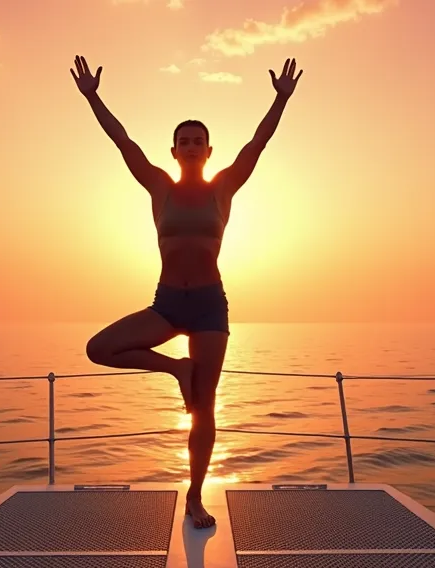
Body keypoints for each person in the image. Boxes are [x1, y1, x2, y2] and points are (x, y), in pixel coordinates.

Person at [72, 54, 302, 528]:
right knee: (100, 348)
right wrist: (93, 96)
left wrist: (279, 100)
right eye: (184, 141)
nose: (192, 146)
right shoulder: (159, 186)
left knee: (204, 407)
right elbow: (123, 141)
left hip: (209, 306)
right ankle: (175, 367)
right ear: (174, 151)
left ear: (208, 150)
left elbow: (257, 145)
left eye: (198, 141)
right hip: (167, 302)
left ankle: (195, 496)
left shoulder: (223, 188)